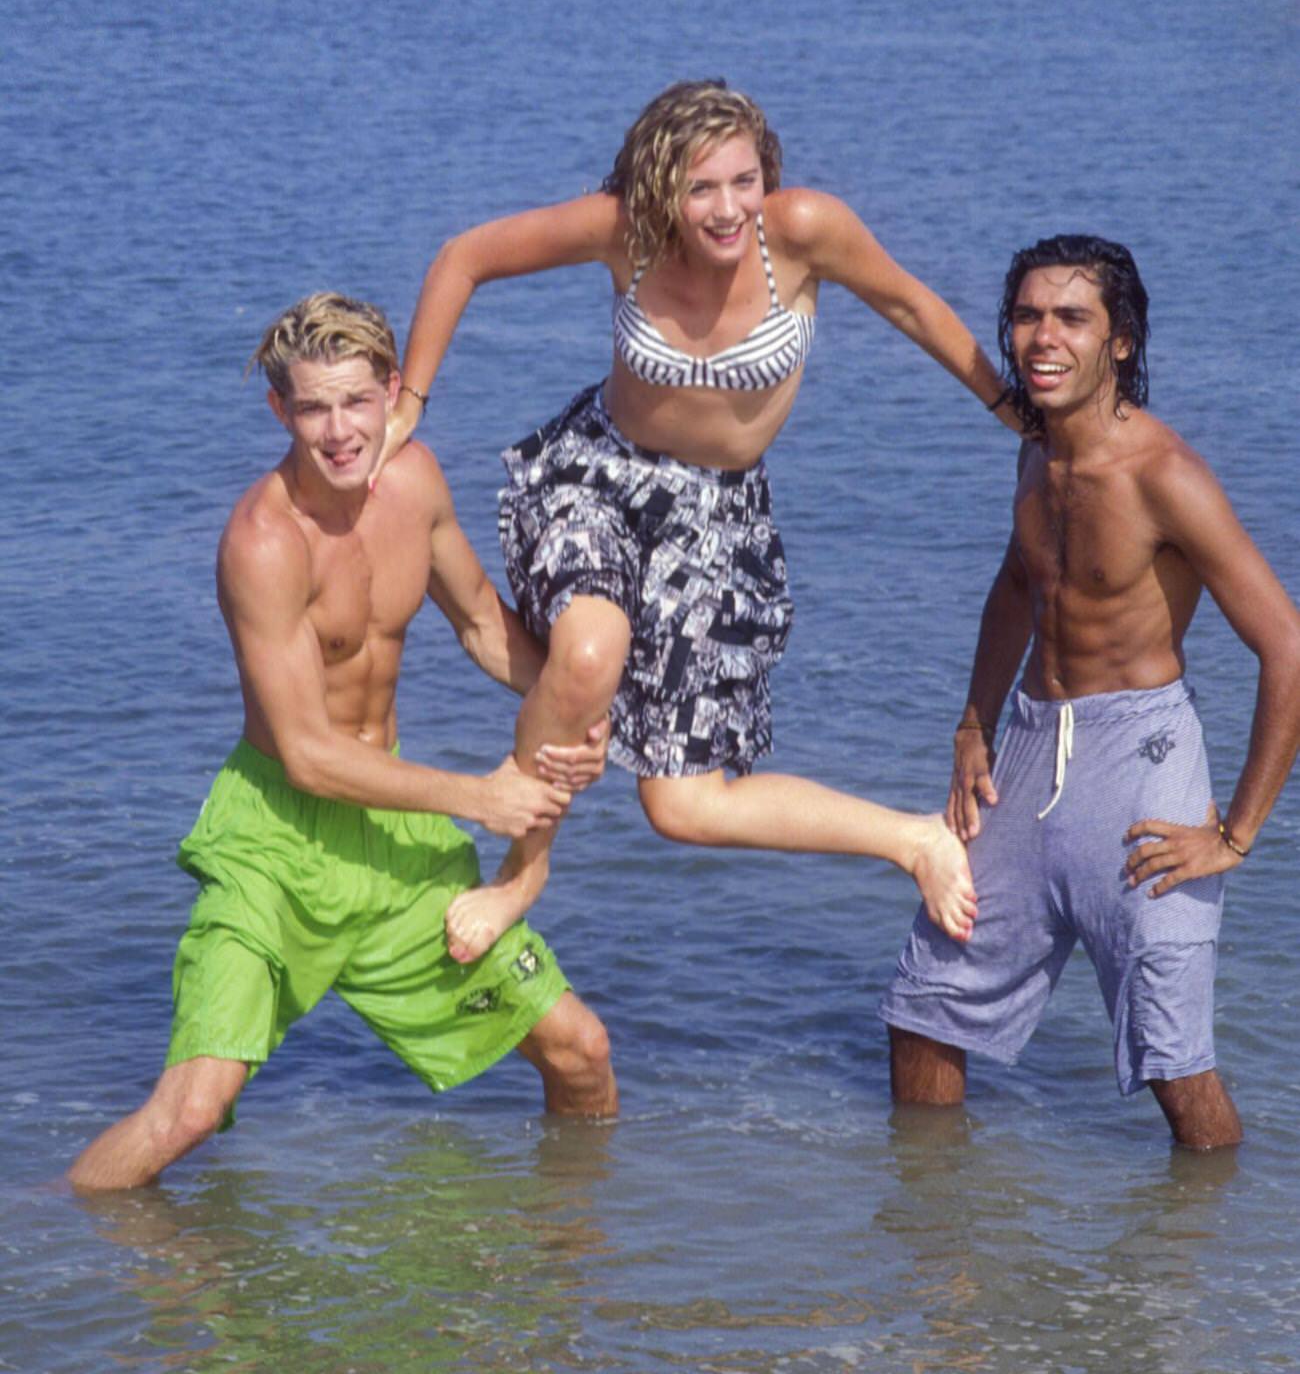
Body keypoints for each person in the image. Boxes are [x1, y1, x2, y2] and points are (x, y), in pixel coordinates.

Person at [377, 79, 1020, 967]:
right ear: (660, 188)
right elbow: (464, 257)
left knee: (682, 807)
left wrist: (1007, 410)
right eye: (700, 187)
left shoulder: (803, 232)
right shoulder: (625, 233)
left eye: (743, 181)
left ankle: (913, 840)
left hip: (716, 521)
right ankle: (525, 871)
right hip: (598, 475)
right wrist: (410, 399)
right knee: (589, 655)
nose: (726, 209)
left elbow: (911, 305)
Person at [68, 293, 616, 1192]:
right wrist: (483, 798)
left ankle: (558, 1295)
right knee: (191, 1112)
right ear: (280, 410)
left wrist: (579, 709)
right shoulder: (263, 541)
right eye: (313, 407)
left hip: (392, 840)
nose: (338, 431)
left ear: (392, 391)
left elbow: (483, 624)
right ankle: (47, 1249)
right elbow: (307, 755)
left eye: (357, 402)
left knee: (581, 1054)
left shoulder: (417, 484)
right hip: (277, 845)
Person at [880, 235, 1300, 1148]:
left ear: (1119, 341)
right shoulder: (1037, 453)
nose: (1042, 338)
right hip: (1028, 746)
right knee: (926, 1007)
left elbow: (1287, 647)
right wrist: (973, 721)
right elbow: (1018, 584)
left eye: (1072, 317)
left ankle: (1190, 1266)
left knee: (1172, 1058)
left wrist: (1235, 833)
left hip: (1140, 761)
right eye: (1029, 315)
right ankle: (935, 1251)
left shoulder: (1165, 476)